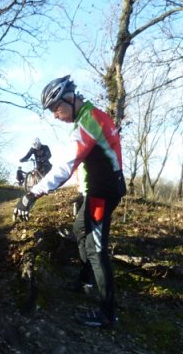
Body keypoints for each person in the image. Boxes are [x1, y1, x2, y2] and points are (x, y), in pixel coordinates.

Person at [13, 75, 126, 329]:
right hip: (96, 191)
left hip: (102, 193)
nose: (54, 115)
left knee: (97, 249)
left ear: (70, 98)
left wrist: (31, 194)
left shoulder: (90, 120)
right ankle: (84, 282)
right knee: (80, 230)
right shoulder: (89, 117)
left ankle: (108, 314)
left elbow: (65, 165)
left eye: (55, 108)